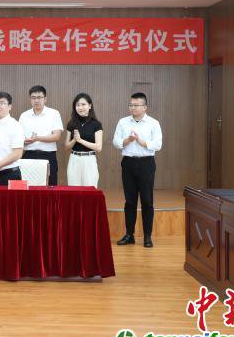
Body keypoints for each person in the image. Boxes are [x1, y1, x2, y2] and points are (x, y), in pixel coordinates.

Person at [112, 92, 163, 248]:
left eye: (136, 105)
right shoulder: (123, 122)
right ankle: (129, 235)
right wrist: (128, 140)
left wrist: (142, 142)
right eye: (130, 105)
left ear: (145, 107)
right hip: (128, 163)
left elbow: (158, 144)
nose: (132, 108)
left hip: (146, 163)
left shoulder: (153, 123)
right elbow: (116, 142)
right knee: (130, 201)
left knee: (147, 201)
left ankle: (147, 237)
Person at [18, 85, 64, 185]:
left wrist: (37, 138)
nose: (36, 100)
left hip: (48, 156)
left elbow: (57, 136)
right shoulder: (24, 115)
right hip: (28, 155)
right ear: (30, 99)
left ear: (45, 99)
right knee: (27, 187)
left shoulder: (54, 113)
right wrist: (23, 140)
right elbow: (19, 137)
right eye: (33, 98)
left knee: (49, 186)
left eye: (39, 97)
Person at [65, 93, 103, 187]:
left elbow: (98, 147)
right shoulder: (71, 123)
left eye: (83, 104)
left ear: (90, 106)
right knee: (73, 191)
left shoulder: (96, 124)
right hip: (74, 159)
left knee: (90, 190)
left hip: (89, 160)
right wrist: (74, 140)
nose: (80, 107)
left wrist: (80, 140)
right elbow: (66, 147)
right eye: (78, 105)